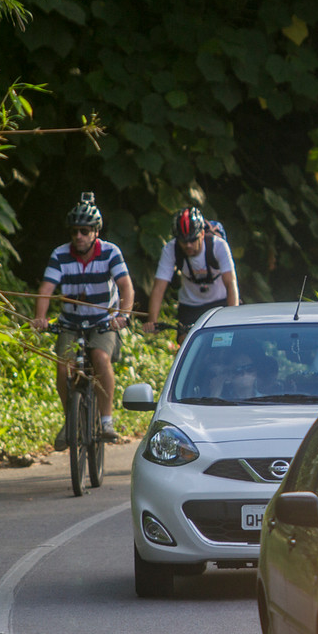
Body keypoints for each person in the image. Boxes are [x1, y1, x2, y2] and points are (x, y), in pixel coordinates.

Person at [30, 192, 134, 449]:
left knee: (100, 357)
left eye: (84, 231)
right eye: (75, 231)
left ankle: (107, 421)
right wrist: (41, 318)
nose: (78, 236)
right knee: (62, 365)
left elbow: (126, 287)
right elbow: (46, 289)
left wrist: (123, 316)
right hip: (70, 321)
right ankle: (70, 420)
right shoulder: (60, 255)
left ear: (95, 232)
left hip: (103, 321)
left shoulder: (111, 253)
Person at [146, 207, 238, 341]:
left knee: (225, 341)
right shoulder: (171, 249)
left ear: (201, 234)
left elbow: (231, 283)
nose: (188, 245)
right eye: (183, 241)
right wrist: (152, 321)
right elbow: (159, 288)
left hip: (220, 302)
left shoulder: (218, 246)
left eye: (192, 240)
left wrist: (232, 317)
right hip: (190, 306)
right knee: (186, 342)